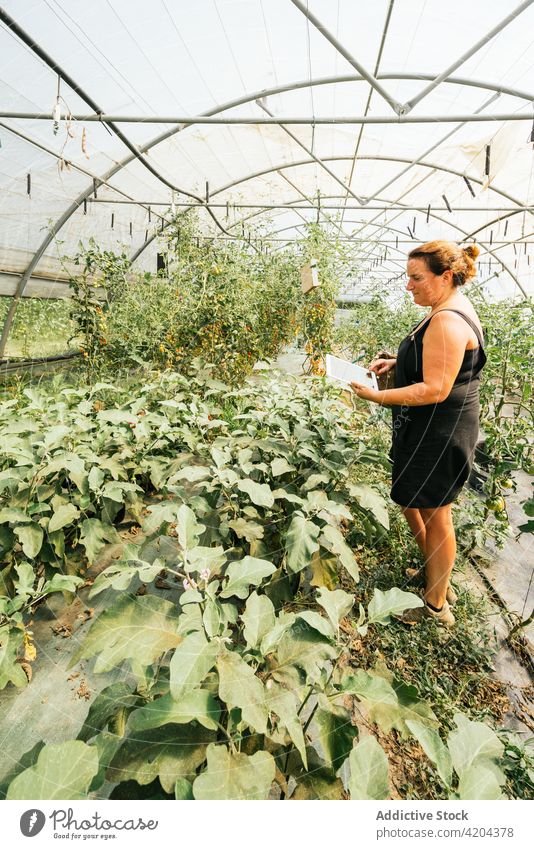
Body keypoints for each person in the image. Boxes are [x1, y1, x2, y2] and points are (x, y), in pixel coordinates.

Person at [350, 241, 486, 626]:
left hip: (440, 431)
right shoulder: (444, 308)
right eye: (408, 276)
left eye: (416, 278)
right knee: (415, 500)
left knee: (436, 512)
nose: (408, 285)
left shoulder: (446, 319)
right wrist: (398, 362)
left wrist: (377, 396)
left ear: (445, 277)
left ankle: (436, 605)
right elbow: (441, 363)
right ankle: (435, 575)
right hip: (431, 426)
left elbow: (435, 389)